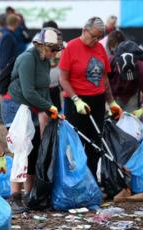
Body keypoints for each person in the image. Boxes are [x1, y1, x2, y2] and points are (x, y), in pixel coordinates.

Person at [59, 17, 125, 199]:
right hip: (76, 102)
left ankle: (92, 184)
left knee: (96, 144)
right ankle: (78, 184)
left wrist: (111, 102)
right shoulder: (71, 48)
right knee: (77, 145)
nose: (96, 40)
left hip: (96, 101)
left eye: (100, 37)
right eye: (94, 36)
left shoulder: (100, 49)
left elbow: (104, 79)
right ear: (84, 30)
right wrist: (76, 99)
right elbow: (62, 79)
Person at [7, 27, 63, 213]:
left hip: (33, 107)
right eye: (52, 49)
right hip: (17, 107)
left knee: (35, 149)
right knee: (20, 149)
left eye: (57, 50)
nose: (55, 53)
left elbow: (44, 90)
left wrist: (53, 109)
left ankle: (30, 194)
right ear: (41, 45)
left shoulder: (45, 60)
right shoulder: (27, 59)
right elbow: (28, 91)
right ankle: (15, 196)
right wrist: (48, 107)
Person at [109, 40, 143, 112]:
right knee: (112, 118)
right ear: (117, 65)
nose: (128, 79)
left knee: (131, 118)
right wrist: (110, 102)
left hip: (132, 93)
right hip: (113, 94)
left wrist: (142, 109)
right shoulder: (109, 63)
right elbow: (102, 84)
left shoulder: (141, 68)